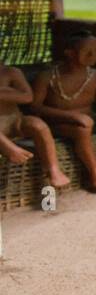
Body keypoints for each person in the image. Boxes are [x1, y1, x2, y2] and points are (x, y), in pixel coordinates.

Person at [30, 31, 96, 191]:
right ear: (70, 53)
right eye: (86, 50)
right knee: (83, 129)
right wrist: (72, 116)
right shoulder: (48, 77)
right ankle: (95, 172)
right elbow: (35, 107)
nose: (92, 54)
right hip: (59, 122)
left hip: (88, 117)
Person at [0, 49, 71, 191]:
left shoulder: (11, 73)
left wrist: (3, 93)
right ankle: (10, 148)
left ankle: (53, 169)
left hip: (15, 121)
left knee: (38, 125)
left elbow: (27, 97)